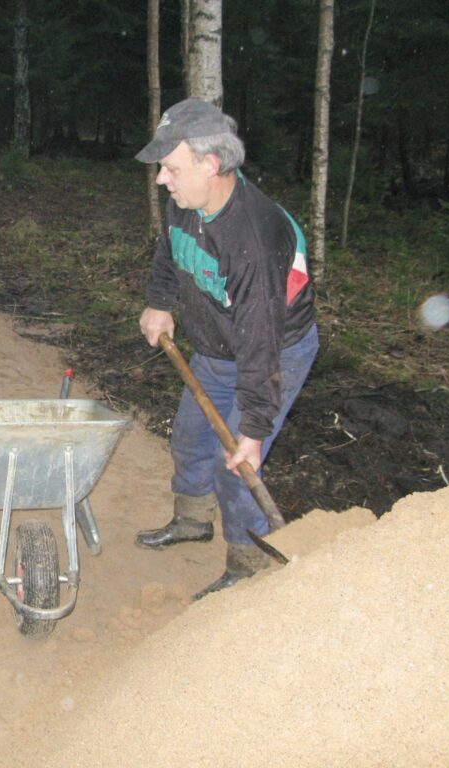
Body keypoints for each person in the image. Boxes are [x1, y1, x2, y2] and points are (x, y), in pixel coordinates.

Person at [134, 98, 318, 597]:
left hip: (273, 353)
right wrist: (159, 303)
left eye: (170, 168)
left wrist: (255, 431)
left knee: (236, 465)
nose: (161, 180)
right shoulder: (186, 201)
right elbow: (169, 251)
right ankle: (193, 519)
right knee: (191, 437)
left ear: (209, 165)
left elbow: (261, 343)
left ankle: (248, 563)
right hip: (217, 345)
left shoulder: (255, 239)